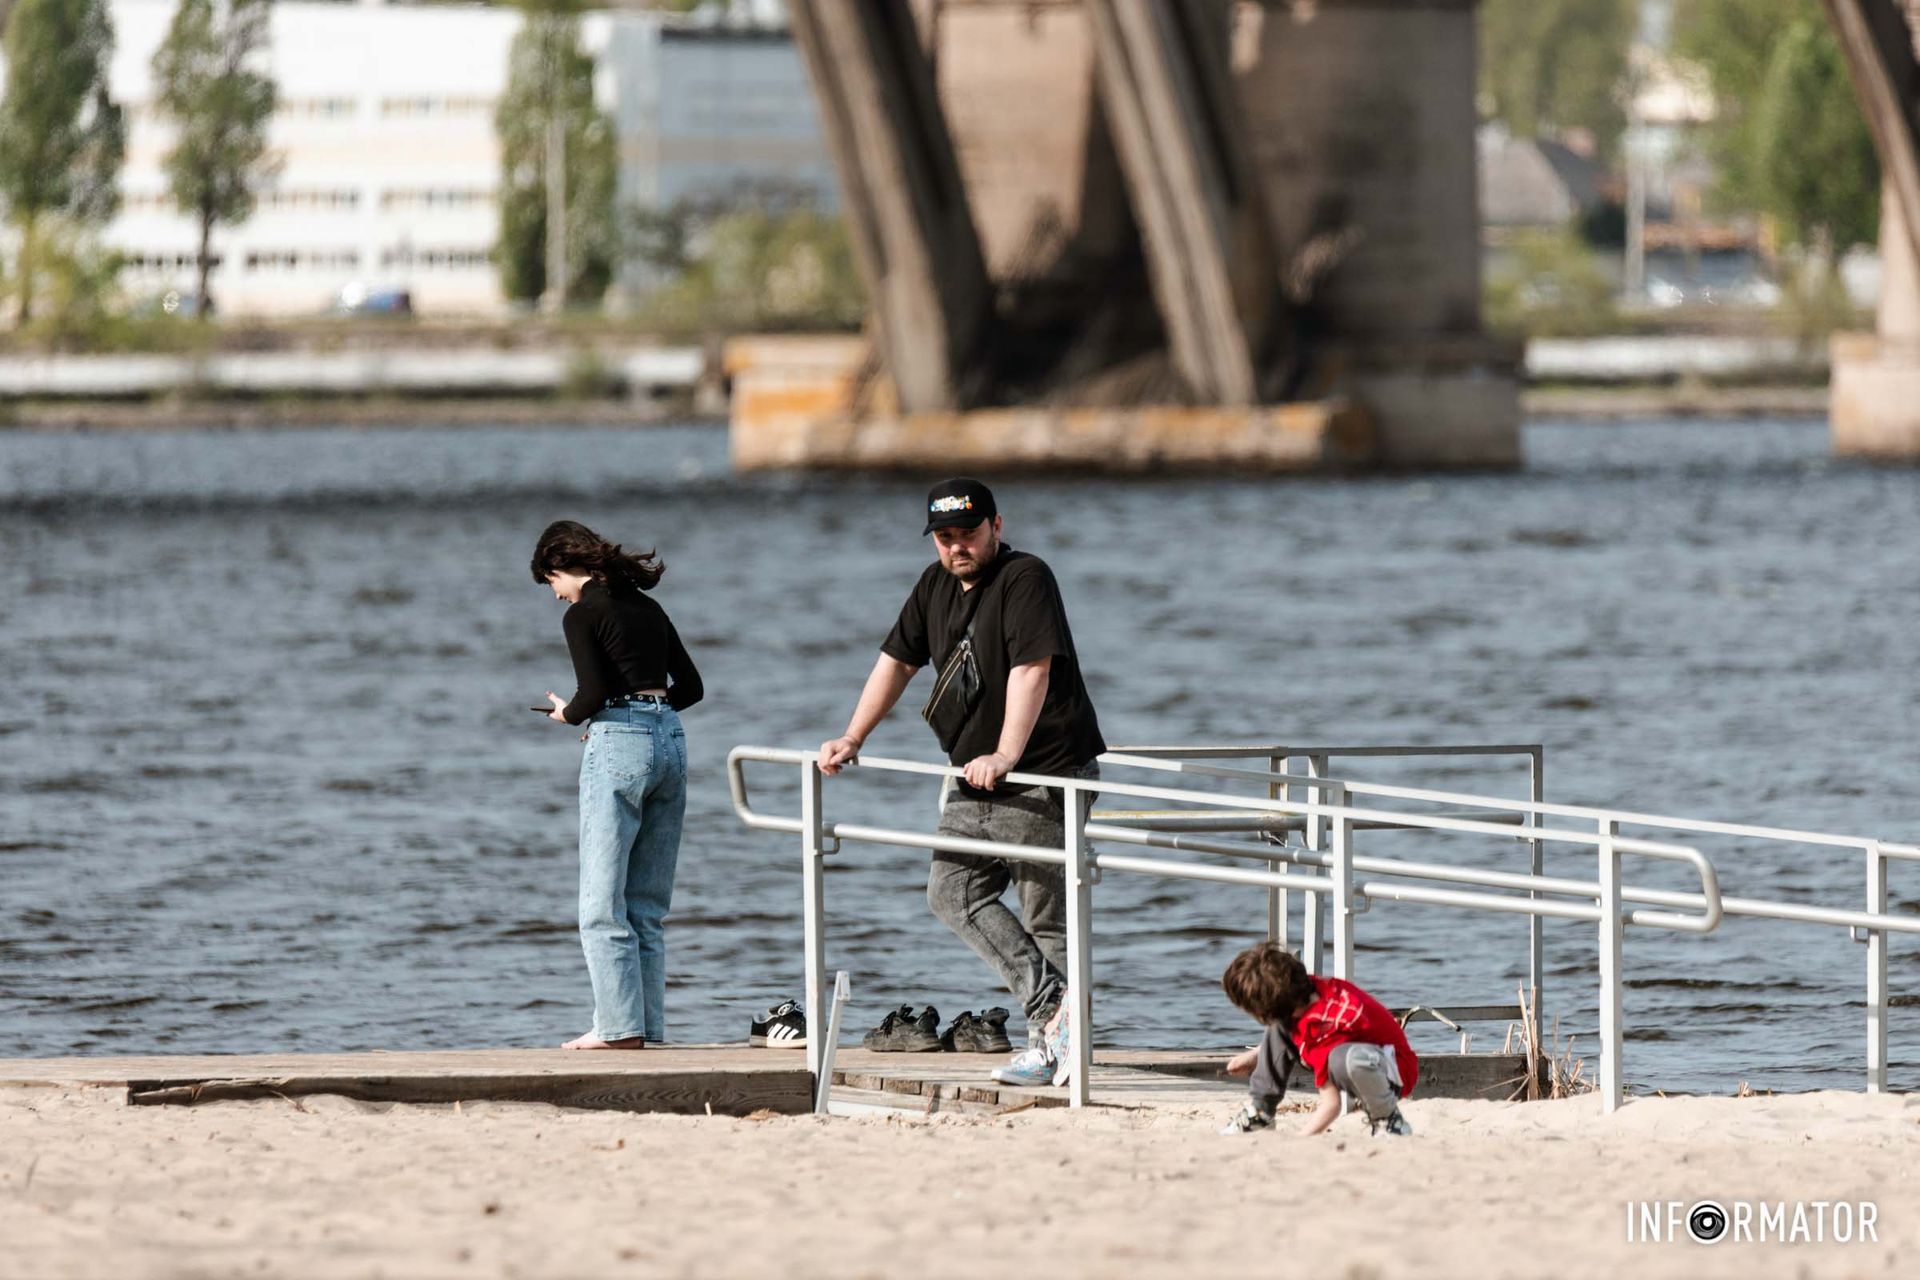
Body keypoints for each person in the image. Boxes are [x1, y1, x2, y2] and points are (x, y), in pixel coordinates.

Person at [817, 478, 1107, 1086]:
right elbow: (896, 661)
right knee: (953, 893)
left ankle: (1057, 1044)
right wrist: (853, 736)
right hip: (974, 776)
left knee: (1046, 912)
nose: (957, 550)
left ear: (996, 527)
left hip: (1044, 769)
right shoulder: (934, 586)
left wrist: (1006, 752)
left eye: (968, 535)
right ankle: (1057, 1018)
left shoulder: (1027, 577)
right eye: (945, 538)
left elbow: (1033, 669)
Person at [532, 520, 703, 1050]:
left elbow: (592, 693)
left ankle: (616, 1030)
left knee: (601, 904)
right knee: (646, 905)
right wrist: (650, 716)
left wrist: (569, 715)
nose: (555, 594)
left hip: (620, 746)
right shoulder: (648, 608)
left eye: (551, 581)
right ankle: (645, 1028)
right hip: (671, 741)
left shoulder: (584, 613)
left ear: (566, 567)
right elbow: (692, 688)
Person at [1219, 941, 1417, 1136]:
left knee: (1344, 1059)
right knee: (1284, 1026)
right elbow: (1285, 1026)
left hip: (1394, 1074)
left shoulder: (1323, 1029)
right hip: (1368, 1053)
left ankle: (1388, 1120)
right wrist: (1257, 1055)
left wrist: (1300, 1140)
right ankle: (1260, 1113)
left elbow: (1331, 1105)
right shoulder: (1308, 989)